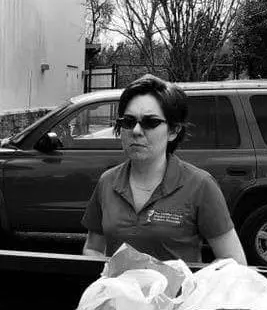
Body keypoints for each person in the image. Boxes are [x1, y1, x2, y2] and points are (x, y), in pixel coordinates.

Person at [81, 75, 246, 265]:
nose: (136, 130)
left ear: (174, 131)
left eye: (150, 122)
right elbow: (93, 248)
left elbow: (234, 261)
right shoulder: (108, 182)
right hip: (120, 294)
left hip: (178, 295)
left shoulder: (200, 185)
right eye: (128, 121)